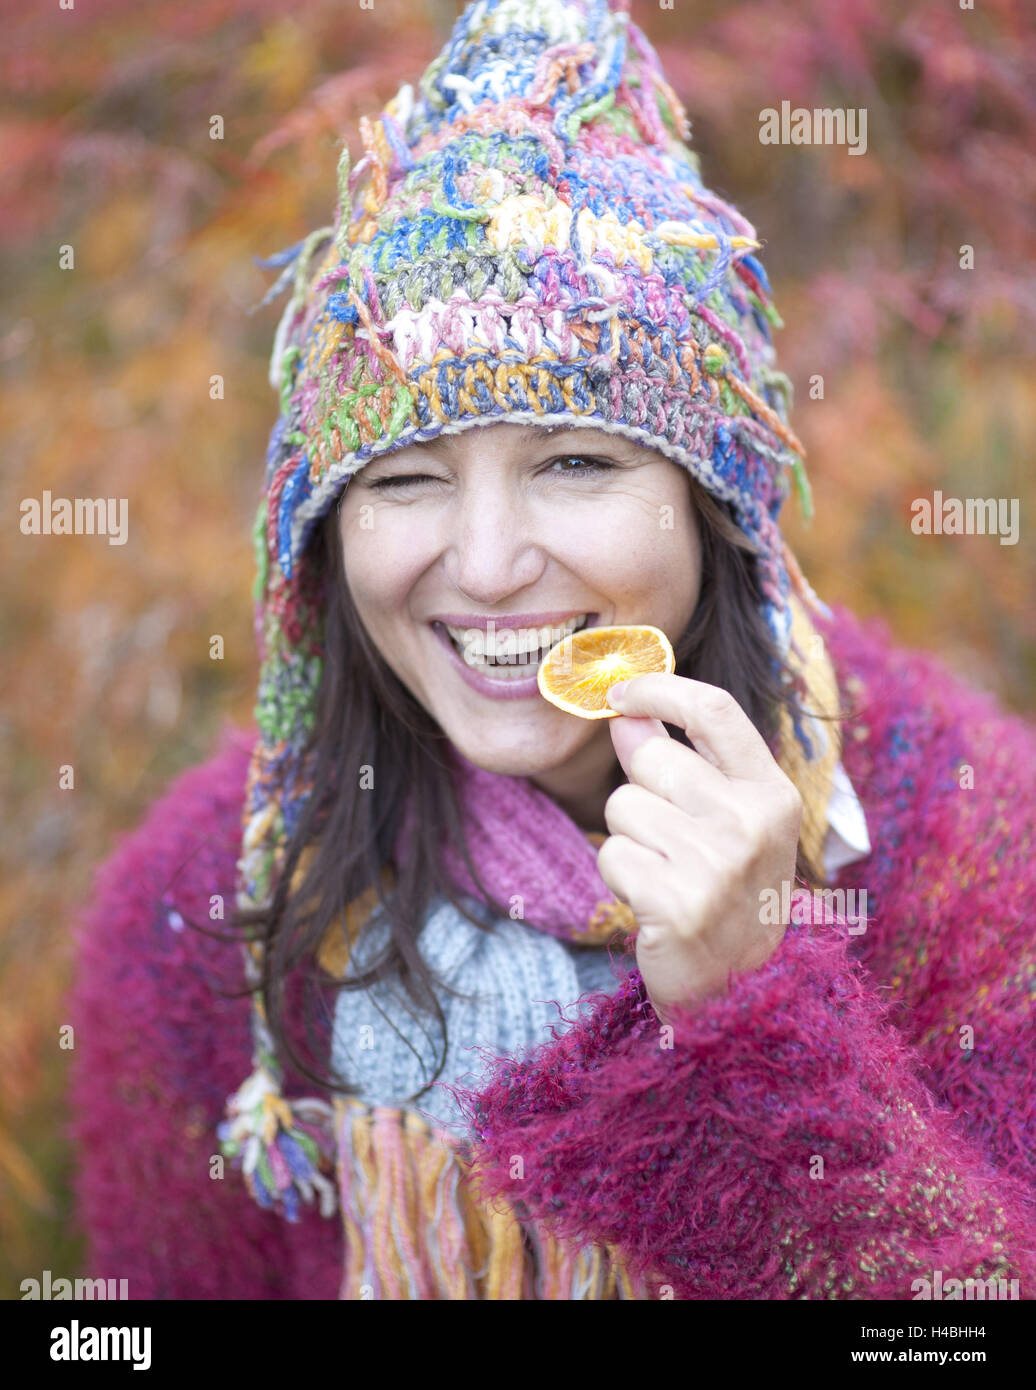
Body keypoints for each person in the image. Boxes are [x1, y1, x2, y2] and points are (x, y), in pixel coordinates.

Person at [68, 0, 1035, 1300]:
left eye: (573, 462)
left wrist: (754, 1013)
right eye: (404, 478)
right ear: (322, 537)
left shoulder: (962, 842)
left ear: (713, 506)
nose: (482, 563)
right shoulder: (209, 915)